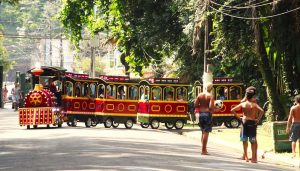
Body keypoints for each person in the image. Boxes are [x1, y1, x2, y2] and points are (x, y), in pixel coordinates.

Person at [231, 89, 264, 163]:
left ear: (246, 96)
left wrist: (239, 117)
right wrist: (258, 119)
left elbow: (232, 110)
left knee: (244, 140)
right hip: (252, 122)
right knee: (253, 140)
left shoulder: (243, 104)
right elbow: (262, 111)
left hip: (244, 121)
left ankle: (245, 156)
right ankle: (253, 159)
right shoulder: (254, 104)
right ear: (252, 97)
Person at [194, 83, 214, 155]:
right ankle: (203, 150)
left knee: (202, 132)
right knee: (206, 132)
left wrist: (200, 107)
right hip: (207, 114)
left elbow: (195, 105)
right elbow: (211, 107)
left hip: (200, 114)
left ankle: (204, 149)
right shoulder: (211, 96)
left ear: (205, 88)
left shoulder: (200, 95)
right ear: (211, 89)